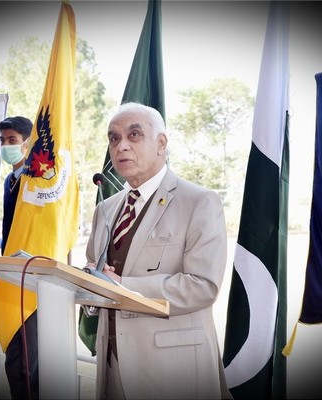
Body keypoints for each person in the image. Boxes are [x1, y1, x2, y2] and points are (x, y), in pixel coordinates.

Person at [85, 102, 232, 399]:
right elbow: (94, 270)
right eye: (114, 138)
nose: (121, 146)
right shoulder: (105, 209)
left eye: (134, 135)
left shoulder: (199, 201)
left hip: (173, 371)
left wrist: (121, 287)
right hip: (112, 368)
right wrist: (88, 283)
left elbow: (203, 286)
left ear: (161, 143)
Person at [0, 116, 39, 399]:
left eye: (12, 140)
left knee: (26, 361)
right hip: (10, 270)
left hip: (29, 273)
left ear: (27, 143)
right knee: (14, 357)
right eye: (2, 141)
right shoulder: (9, 180)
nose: (6, 146)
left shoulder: (36, 180)